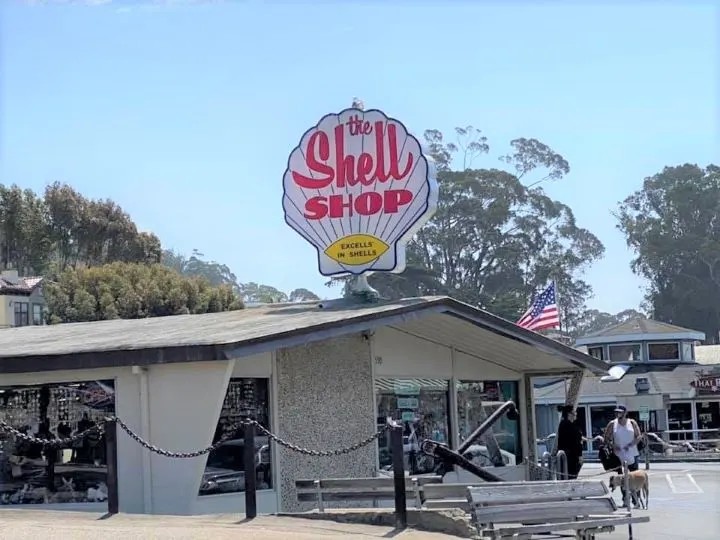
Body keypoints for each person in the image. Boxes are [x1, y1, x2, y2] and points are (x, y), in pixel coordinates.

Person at [604, 405, 643, 507]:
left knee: (634, 478)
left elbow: (639, 436)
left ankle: (636, 501)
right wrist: (613, 445)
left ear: (625, 413)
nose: (618, 414)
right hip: (619, 455)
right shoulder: (612, 424)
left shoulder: (632, 422)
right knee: (622, 479)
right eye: (617, 412)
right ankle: (625, 500)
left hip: (632, 454)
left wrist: (631, 444)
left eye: (620, 412)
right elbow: (606, 438)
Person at [556, 405, 586, 479]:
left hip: (569, 456)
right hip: (570, 456)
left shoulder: (567, 424)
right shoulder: (567, 425)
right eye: (574, 413)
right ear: (569, 414)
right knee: (571, 476)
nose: (575, 414)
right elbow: (575, 442)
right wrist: (580, 456)